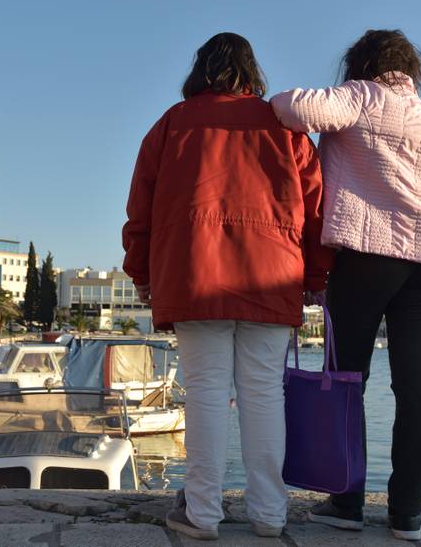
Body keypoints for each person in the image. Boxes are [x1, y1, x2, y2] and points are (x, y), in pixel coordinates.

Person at [122, 32, 334, 540]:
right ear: (251, 71)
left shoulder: (171, 125)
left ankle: (202, 513)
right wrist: (314, 276)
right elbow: (316, 210)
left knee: (205, 394)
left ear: (201, 70)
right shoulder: (286, 129)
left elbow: (141, 210)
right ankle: (269, 514)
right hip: (271, 275)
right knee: (264, 395)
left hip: (195, 276)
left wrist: (143, 273)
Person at [271, 29, 421, 542]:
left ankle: (348, 501)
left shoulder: (358, 97)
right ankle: (408, 516)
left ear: (361, 64)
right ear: (410, 70)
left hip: (368, 252)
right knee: (418, 386)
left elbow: (290, 107)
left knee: (347, 377)